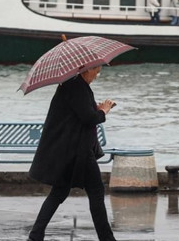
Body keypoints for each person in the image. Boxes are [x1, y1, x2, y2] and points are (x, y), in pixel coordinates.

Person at [28, 65, 117, 241]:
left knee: (59, 192)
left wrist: (95, 108)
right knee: (96, 192)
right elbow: (88, 118)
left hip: (68, 151)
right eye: (96, 71)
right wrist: (103, 111)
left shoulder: (71, 85)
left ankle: (35, 235)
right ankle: (107, 239)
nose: (96, 75)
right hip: (78, 152)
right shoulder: (77, 87)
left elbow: (78, 113)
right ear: (86, 69)